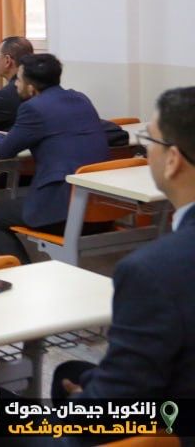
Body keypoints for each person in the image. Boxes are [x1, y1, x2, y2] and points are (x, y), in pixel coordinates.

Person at [52, 86, 195, 401]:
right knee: (71, 371)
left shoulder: (152, 271)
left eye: (149, 141)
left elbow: (117, 399)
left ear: (172, 160)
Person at [0, 53, 109, 264]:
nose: (15, 84)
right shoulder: (81, 99)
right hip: (102, 207)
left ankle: (23, 271)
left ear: (31, 87)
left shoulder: (33, 108)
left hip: (62, 212)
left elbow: (3, 151)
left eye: (19, 79)